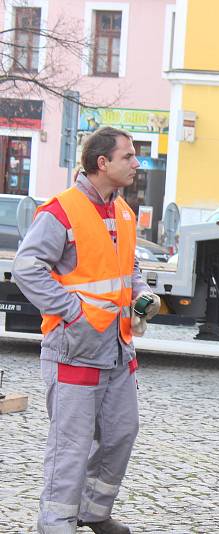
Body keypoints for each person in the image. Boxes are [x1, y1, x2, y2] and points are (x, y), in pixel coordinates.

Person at [12, 126, 161, 534]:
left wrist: (142, 293)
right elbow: (27, 269)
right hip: (73, 348)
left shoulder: (123, 211)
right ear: (102, 163)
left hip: (117, 349)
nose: (136, 163)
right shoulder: (61, 211)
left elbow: (128, 269)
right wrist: (73, 311)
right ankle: (56, 523)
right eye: (128, 156)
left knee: (121, 435)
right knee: (71, 447)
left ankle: (93, 513)